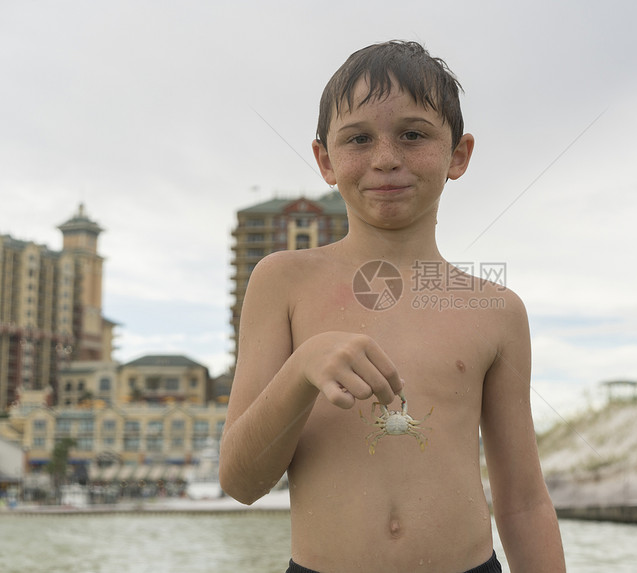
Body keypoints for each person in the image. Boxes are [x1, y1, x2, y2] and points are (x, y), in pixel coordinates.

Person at [219, 40, 565, 573]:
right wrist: (303, 368)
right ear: (325, 160)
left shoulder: (496, 309)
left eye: (413, 134)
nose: (385, 158)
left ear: (459, 155)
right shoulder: (281, 281)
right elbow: (241, 482)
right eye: (358, 138)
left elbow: (522, 502)